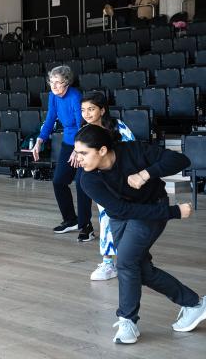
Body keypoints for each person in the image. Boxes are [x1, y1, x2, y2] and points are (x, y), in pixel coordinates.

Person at [74, 125, 206, 344]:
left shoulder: (133, 151)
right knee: (140, 270)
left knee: (125, 263)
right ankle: (195, 303)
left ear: (103, 150)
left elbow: (181, 161)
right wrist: (174, 212)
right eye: (77, 153)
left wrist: (145, 174)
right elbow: (123, 211)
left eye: (83, 153)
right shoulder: (88, 179)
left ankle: (128, 320)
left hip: (151, 208)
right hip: (122, 215)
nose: (78, 159)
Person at [32, 65, 93, 241]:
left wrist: (78, 148)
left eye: (58, 83)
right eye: (52, 82)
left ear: (66, 82)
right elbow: (50, 118)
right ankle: (70, 219)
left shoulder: (75, 96)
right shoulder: (53, 96)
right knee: (59, 182)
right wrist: (40, 140)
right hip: (68, 143)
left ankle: (86, 226)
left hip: (83, 143)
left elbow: (81, 123)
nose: (54, 86)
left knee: (82, 184)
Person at [80, 93, 134, 281]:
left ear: (102, 110)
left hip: (124, 178)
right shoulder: (85, 130)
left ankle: (131, 258)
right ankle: (108, 263)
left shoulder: (118, 126)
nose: (86, 113)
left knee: (128, 219)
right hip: (101, 181)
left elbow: (133, 149)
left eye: (91, 109)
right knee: (105, 218)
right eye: (83, 110)